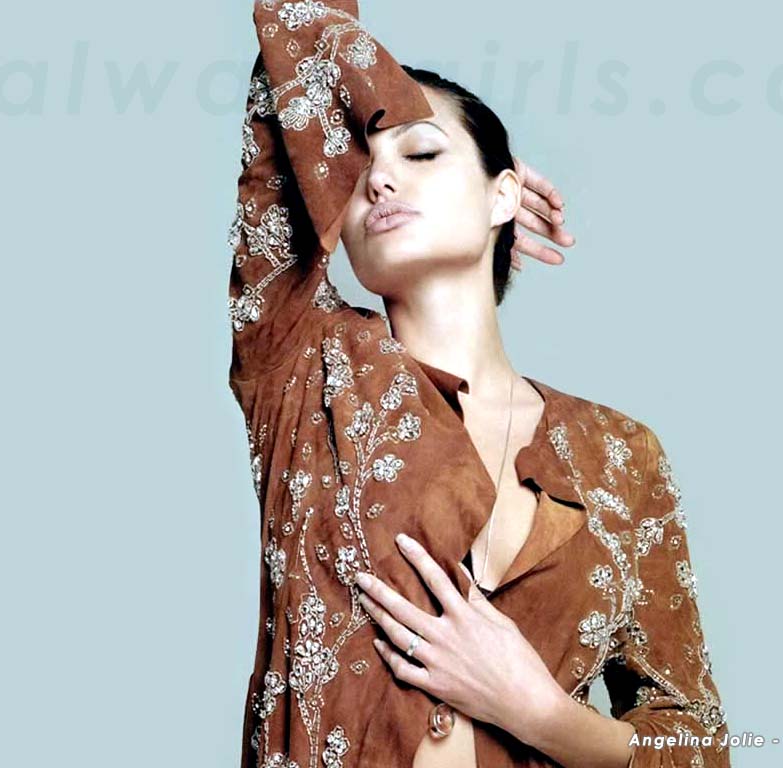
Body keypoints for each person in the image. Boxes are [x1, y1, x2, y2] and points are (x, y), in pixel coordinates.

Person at [227, 2, 730, 766]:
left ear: (505, 195)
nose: (379, 180)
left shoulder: (621, 456)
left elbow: (698, 742)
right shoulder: (302, 368)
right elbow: (295, 31)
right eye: (355, 172)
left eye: (422, 153)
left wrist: (540, 714)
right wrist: (425, 149)